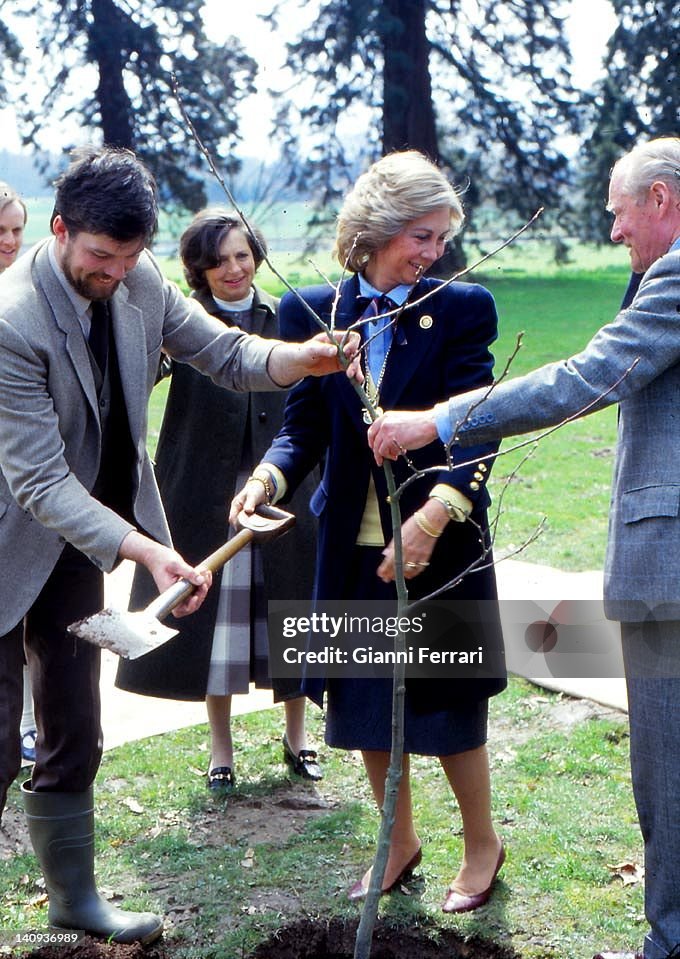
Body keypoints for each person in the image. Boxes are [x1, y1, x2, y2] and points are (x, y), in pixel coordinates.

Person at [0, 146, 355, 944]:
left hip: (73, 544)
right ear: (58, 230)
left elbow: (223, 351)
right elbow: (42, 486)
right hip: (10, 534)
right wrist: (147, 551)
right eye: (100, 256)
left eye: (130, 257)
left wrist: (299, 358)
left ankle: (73, 898)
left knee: (72, 723)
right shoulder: (11, 320)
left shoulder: (139, 277)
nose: (117, 274)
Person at [367, 136, 680, 959]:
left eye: (617, 212)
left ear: (659, 201)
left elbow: (588, 375)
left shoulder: (679, 273)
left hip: (672, 570)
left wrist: (438, 421)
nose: (613, 232)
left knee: (670, 773)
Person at [231, 150, 507, 910]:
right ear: (377, 232)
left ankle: (482, 843)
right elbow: (302, 430)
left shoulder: (461, 307)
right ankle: (399, 841)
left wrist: (432, 515)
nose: (436, 252)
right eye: (422, 235)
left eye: (442, 236)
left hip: (440, 539)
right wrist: (266, 478)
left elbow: (479, 426)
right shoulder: (312, 313)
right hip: (350, 551)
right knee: (361, 701)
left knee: (447, 704)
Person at [116, 209, 322, 788]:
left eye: (241, 255)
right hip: (202, 492)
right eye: (217, 261)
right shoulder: (180, 323)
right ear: (198, 271)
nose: (233, 269)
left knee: (290, 612)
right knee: (215, 622)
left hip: (280, 487)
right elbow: (130, 382)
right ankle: (221, 749)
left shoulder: (287, 315)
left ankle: (297, 737)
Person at [0, 183, 36, 767]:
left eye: (15, 231)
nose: (8, 244)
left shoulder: (26, 299)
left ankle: (27, 728)